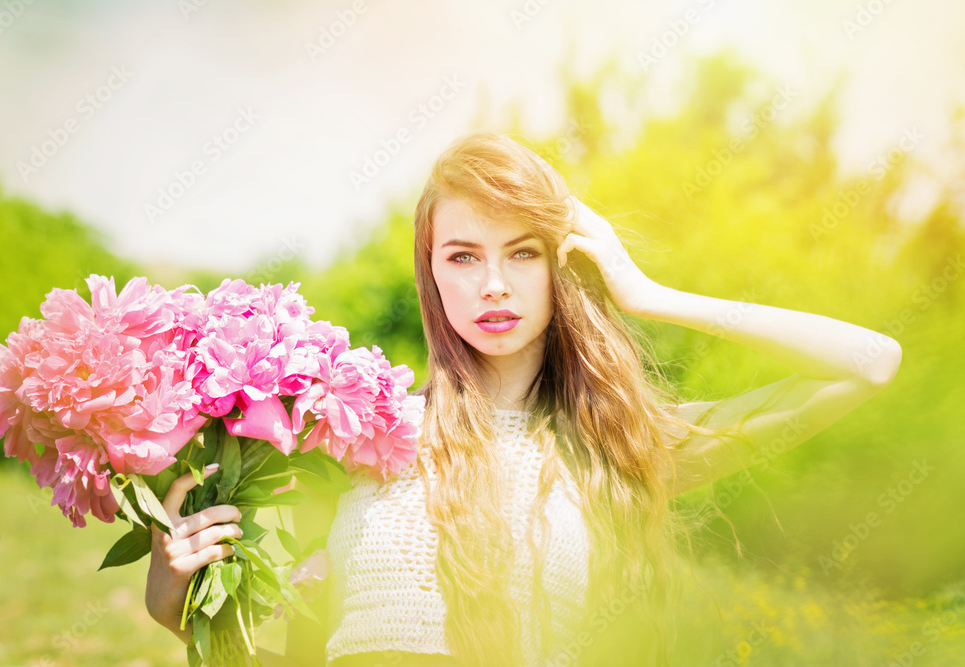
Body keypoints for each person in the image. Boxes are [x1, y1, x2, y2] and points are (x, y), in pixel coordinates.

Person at [145, 132, 902, 666]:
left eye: (523, 252)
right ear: (432, 273)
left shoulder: (623, 448)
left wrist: (648, 294)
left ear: (563, 266)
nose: (495, 284)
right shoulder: (364, 433)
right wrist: (178, 610)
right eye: (464, 256)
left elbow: (871, 363)